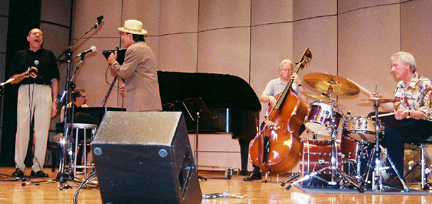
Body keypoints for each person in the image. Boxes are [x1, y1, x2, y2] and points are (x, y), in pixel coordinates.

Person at [372, 51, 432, 186]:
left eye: (395, 66)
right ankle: (368, 173)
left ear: (407, 66)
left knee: (395, 132)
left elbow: (426, 112)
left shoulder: (424, 83)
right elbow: (395, 108)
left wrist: (408, 114)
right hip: (407, 121)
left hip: (424, 123)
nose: (392, 70)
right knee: (374, 127)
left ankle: (397, 176)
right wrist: (380, 100)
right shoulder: (400, 86)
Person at [244, 59, 308, 181]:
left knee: (298, 131)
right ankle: (257, 171)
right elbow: (262, 97)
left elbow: (305, 101)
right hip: (274, 118)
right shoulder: (273, 83)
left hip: (290, 122)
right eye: (285, 70)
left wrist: (300, 83)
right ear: (280, 71)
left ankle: (286, 164)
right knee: (261, 138)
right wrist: (270, 98)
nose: (288, 72)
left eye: (290, 70)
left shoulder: (296, 84)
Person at [9, 28, 60, 178]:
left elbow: (54, 79)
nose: (38, 36)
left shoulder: (49, 55)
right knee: (23, 128)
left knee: (42, 130)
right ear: (28, 38)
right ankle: (19, 166)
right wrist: (25, 74)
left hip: (44, 91)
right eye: (34, 34)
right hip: (25, 90)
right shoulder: (20, 55)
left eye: (40, 34)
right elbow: (13, 80)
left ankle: (37, 168)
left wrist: (55, 101)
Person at [107, 19, 162, 112]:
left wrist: (113, 62)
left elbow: (123, 72)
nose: (122, 38)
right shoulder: (146, 48)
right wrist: (129, 85)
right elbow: (141, 74)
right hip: (148, 103)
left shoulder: (134, 49)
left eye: (123, 34)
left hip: (141, 105)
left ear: (130, 35)